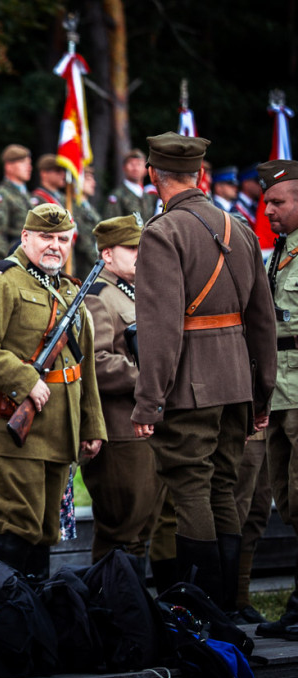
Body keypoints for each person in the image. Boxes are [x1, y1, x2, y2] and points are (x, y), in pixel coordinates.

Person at [132, 132, 276, 612]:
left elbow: (161, 327)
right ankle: (229, 605)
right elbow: (262, 319)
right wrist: (262, 393)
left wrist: (149, 399)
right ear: (199, 174)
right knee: (223, 485)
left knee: (190, 485)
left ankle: (205, 612)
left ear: (153, 174)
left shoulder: (162, 233)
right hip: (237, 384)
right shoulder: (241, 229)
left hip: (192, 390)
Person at [0, 203, 105, 580]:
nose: (55, 245)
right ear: (25, 237)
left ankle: (30, 615)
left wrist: (92, 426)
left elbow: (82, 366)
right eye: (45, 237)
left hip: (57, 428)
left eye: (62, 238)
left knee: (44, 530)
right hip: (7, 423)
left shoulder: (68, 289)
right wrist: (23, 380)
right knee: (18, 524)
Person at [81, 215, 162, 568]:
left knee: (143, 530)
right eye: (132, 248)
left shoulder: (133, 290)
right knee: (122, 532)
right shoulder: (99, 296)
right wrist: (150, 377)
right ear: (107, 254)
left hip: (145, 426)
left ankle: (130, 611)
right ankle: (110, 612)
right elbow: (96, 362)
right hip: (119, 430)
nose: (141, 254)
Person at [254, 159, 298, 637]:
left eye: (279, 202)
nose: (269, 210)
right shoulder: (279, 251)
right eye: (267, 202)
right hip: (280, 390)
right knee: (286, 500)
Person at [0, 143, 35, 261]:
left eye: (29, 163)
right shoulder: (1, 196)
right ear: (9, 166)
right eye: (23, 163)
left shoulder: (27, 196)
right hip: (15, 260)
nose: (29, 167)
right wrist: (8, 262)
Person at [103, 148, 158, 221]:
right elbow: (111, 225)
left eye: (139, 164)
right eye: (131, 164)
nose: (135, 168)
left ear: (145, 170)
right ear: (124, 168)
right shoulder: (117, 196)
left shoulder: (150, 197)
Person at [72, 166, 101, 280]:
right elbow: (83, 239)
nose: (93, 183)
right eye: (88, 179)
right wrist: (99, 260)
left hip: (94, 263)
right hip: (83, 265)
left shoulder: (89, 207)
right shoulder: (73, 206)